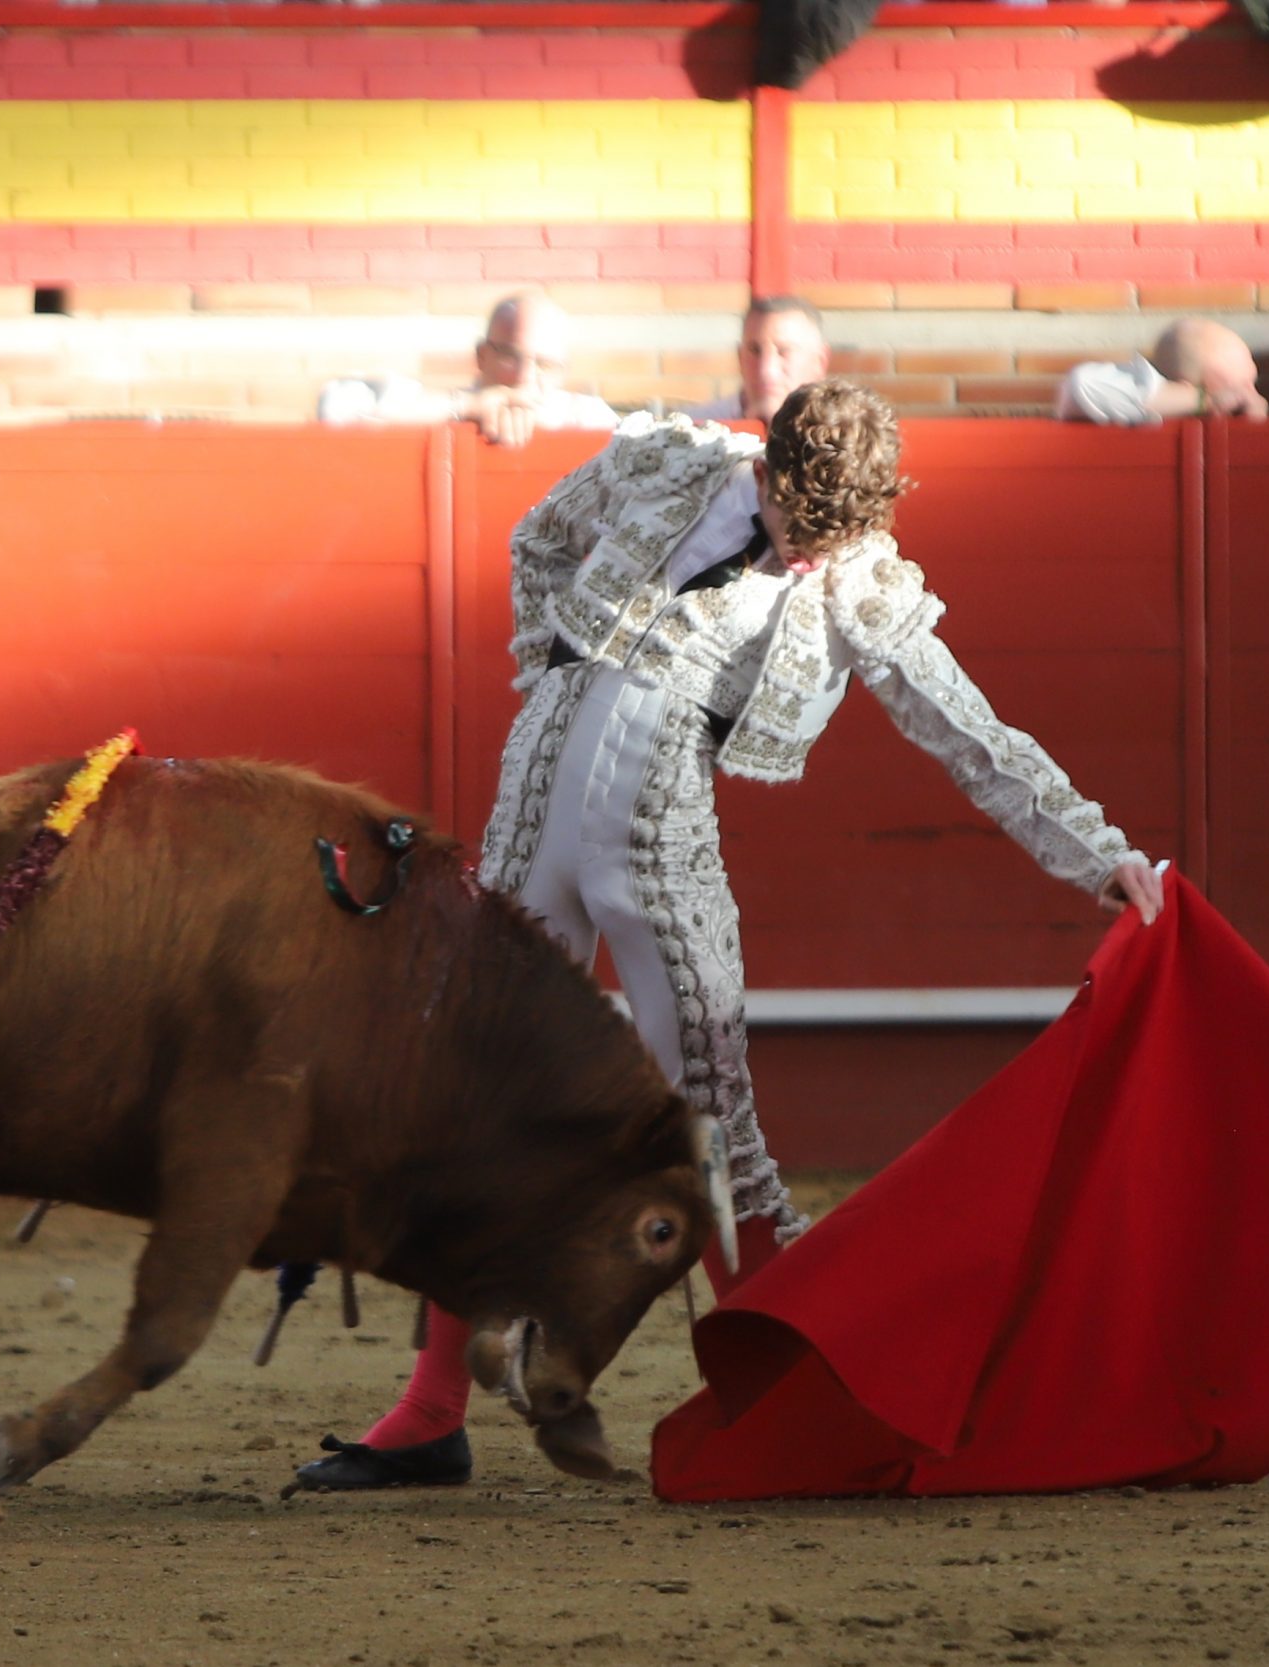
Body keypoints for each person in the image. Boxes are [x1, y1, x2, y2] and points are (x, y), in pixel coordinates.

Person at [292, 381, 1164, 1491]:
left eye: (833, 538)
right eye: (800, 527)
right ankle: (429, 1415)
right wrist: (556, 669)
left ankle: (778, 1408)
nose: (809, 558)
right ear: (766, 472)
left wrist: (1096, 852)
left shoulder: (854, 573)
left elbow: (966, 728)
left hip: (660, 840)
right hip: (537, 804)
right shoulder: (668, 459)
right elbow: (538, 536)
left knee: (711, 1112)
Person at [318, 293, 619, 449]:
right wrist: (466, 406)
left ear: (563, 371)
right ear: (482, 356)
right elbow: (339, 412)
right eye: (511, 357)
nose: (525, 377)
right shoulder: (439, 407)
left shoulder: (586, 416)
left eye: (544, 365)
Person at [1055, 319, 1268, 425]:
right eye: (1237, 389)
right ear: (1183, 388)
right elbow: (1081, 384)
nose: (1252, 398)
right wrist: (1206, 401)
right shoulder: (1145, 407)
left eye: (1252, 384)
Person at [687, 295, 832, 426]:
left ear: (819, 362)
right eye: (754, 351)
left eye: (784, 351)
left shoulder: (840, 434)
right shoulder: (692, 431)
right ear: (740, 358)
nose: (766, 370)